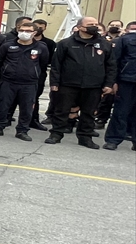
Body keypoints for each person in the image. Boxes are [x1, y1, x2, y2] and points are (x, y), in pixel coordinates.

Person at [46, 16, 116, 150]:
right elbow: (56, 65)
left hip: (94, 85)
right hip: (68, 84)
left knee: (89, 113)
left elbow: (111, 66)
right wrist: (54, 83)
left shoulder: (104, 44)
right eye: (90, 24)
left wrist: (108, 84)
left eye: (96, 24)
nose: (94, 27)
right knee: (61, 111)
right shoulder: (65, 43)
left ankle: (85, 137)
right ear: (79, 27)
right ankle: (56, 134)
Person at [0, 21, 48, 141]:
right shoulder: (7, 45)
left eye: (28, 31)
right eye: (21, 30)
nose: (24, 33)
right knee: (2, 105)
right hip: (8, 81)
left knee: (26, 108)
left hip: (29, 83)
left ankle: (22, 130)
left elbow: (43, 63)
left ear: (34, 33)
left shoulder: (41, 47)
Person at [103, 22, 136, 150]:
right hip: (126, 80)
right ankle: (113, 140)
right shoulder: (124, 39)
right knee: (121, 111)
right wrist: (113, 82)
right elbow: (114, 62)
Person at [95, 20, 126, 129]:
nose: (114, 27)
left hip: (119, 72)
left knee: (114, 98)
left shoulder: (124, 40)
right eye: (112, 25)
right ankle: (99, 119)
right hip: (101, 71)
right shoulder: (100, 39)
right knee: (103, 98)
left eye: (117, 26)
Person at [30, 19, 55, 128]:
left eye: (41, 26)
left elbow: (48, 60)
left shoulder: (49, 43)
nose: (39, 28)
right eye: (36, 26)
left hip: (39, 74)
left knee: (35, 98)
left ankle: (33, 120)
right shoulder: (21, 41)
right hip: (20, 74)